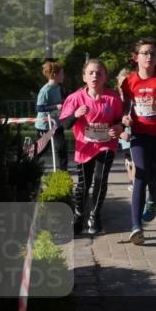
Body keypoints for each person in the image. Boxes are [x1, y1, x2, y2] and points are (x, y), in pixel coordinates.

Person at [120, 37, 156, 245]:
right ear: (135, 57)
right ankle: (136, 227)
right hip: (139, 134)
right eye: (145, 53)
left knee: (153, 176)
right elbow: (125, 108)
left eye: (153, 53)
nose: (149, 57)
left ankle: (153, 196)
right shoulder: (129, 82)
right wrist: (125, 118)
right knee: (141, 175)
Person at [57, 59, 123, 235]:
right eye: (91, 73)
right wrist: (76, 115)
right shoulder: (75, 98)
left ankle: (94, 215)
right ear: (84, 76)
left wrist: (118, 127)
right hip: (84, 147)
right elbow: (64, 124)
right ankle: (79, 215)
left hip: (106, 144)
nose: (95, 76)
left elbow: (118, 120)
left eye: (99, 73)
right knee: (83, 184)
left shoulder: (112, 97)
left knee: (101, 179)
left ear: (105, 77)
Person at [35, 61, 68, 171]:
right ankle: (28, 164)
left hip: (56, 124)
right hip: (44, 125)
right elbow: (39, 108)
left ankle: (63, 173)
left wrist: (64, 103)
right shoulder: (45, 90)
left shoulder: (58, 87)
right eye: (62, 74)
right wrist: (56, 107)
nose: (64, 76)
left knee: (62, 148)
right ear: (54, 75)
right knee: (42, 149)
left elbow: (59, 102)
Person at [116, 67, 135, 191]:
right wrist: (121, 132)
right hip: (124, 132)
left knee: (136, 158)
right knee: (128, 158)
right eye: (122, 82)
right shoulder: (117, 99)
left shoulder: (135, 97)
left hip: (136, 131)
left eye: (127, 82)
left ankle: (135, 182)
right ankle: (132, 180)